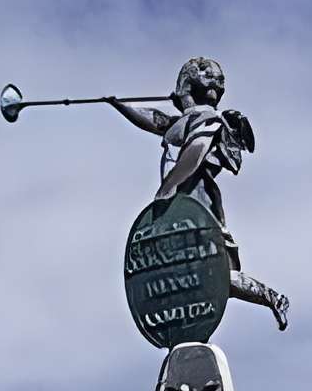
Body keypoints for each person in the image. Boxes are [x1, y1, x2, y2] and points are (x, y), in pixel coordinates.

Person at [108, 56, 290, 330]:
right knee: (207, 273)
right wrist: (119, 104)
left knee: (209, 270)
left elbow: (196, 150)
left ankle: (271, 298)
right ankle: (272, 298)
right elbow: (155, 121)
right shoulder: (186, 120)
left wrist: (168, 187)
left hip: (193, 201)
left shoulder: (205, 117)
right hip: (186, 204)